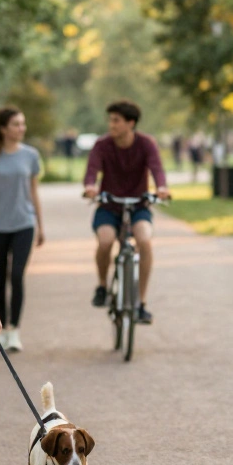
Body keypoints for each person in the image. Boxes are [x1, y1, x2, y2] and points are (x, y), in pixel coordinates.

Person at [83, 100, 171, 324]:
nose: (111, 125)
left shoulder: (146, 144)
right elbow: (92, 170)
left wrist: (161, 188)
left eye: (116, 120)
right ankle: (102, 286)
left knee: (144, 240)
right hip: (109, 206)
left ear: (130, 123)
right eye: (110, 120)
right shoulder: (102, 145)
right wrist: (90, 187)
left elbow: (157, 169)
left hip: (138, 206)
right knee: (105, 241)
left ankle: (141, 303)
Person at [0, 106, 45, 353]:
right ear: (3, 128)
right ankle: (2, 329)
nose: (22, 128)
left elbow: (34, 191)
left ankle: (15, 330)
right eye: (16, 124)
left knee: (16, 275)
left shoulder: (30, 155)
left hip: (23, 224)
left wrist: (40, 225)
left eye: (23, 124)